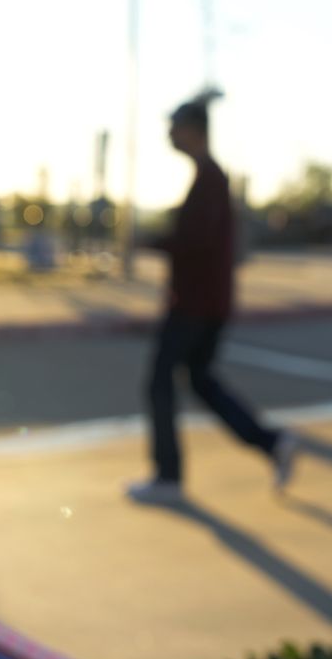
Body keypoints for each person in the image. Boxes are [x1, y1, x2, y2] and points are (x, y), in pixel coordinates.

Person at [126, 99, 299, 503]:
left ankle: (168, 477)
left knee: (160, 382)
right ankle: (271, 443)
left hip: (194, 304)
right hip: (209, 302)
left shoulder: (209, 179)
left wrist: (151, 242)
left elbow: (196, 242)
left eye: (174, 126)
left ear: (193, 130)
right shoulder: (210, 178)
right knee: (200, 380)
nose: (169, 134)